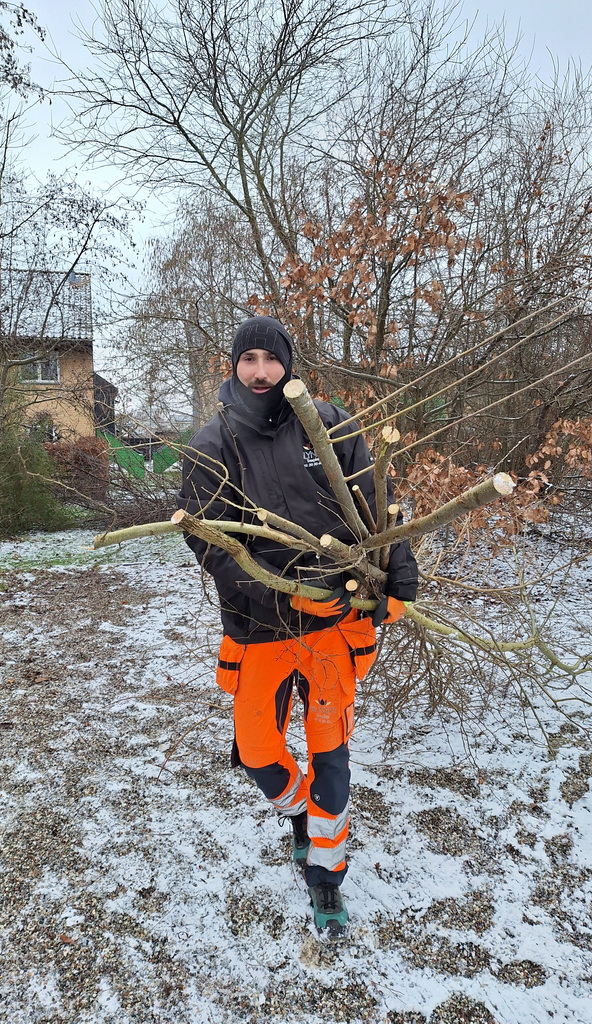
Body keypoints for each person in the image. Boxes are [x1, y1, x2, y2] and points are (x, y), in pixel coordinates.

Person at [177, 315, 417, 936]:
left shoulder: (329, 424)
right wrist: (275, 595)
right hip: (258, 626)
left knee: (330, 749)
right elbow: (210, 544)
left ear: (289, 363)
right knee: (258, 752)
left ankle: (326, 877)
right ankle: (297, 811)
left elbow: (379, 504)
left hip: (334, 621)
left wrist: (400, 574)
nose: (260, 371)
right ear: (234, 365)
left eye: (271, 358)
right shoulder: (212, 444)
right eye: (248, 359)